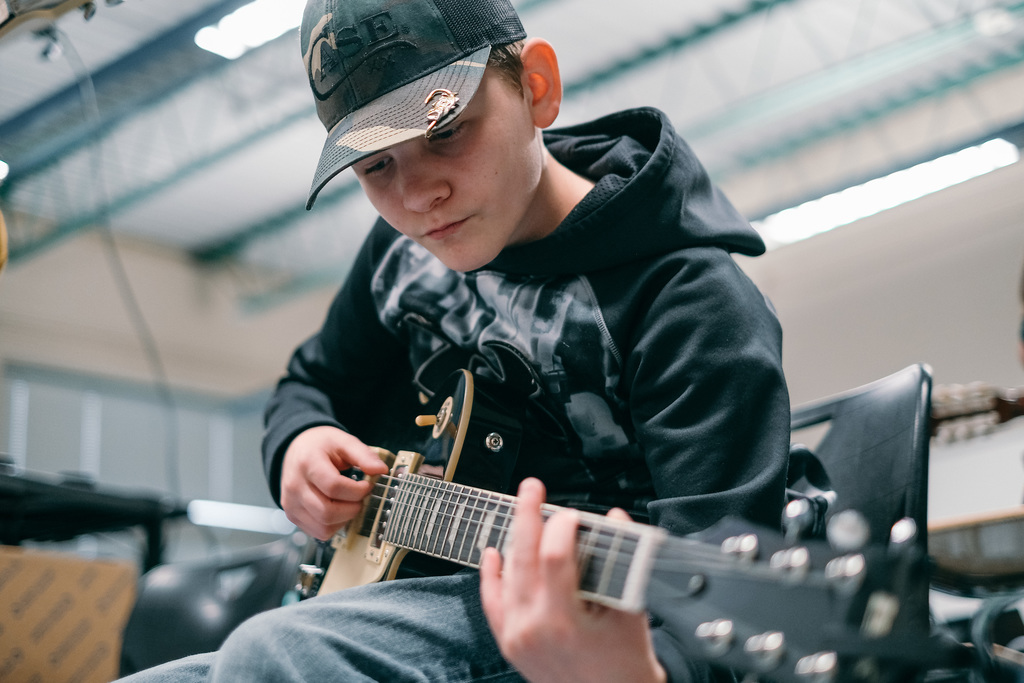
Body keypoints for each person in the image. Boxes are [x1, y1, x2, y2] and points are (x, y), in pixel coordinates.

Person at [119, 0, 790, 680]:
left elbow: (723, 619)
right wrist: (298, 443)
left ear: (536, 87)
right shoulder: (401, 256)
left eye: (445, 132)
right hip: (408, 595)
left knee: (273, 654)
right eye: (375, 166)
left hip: (594, 634)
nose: (416, 195)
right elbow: (311, 384)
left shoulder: (691, 304)